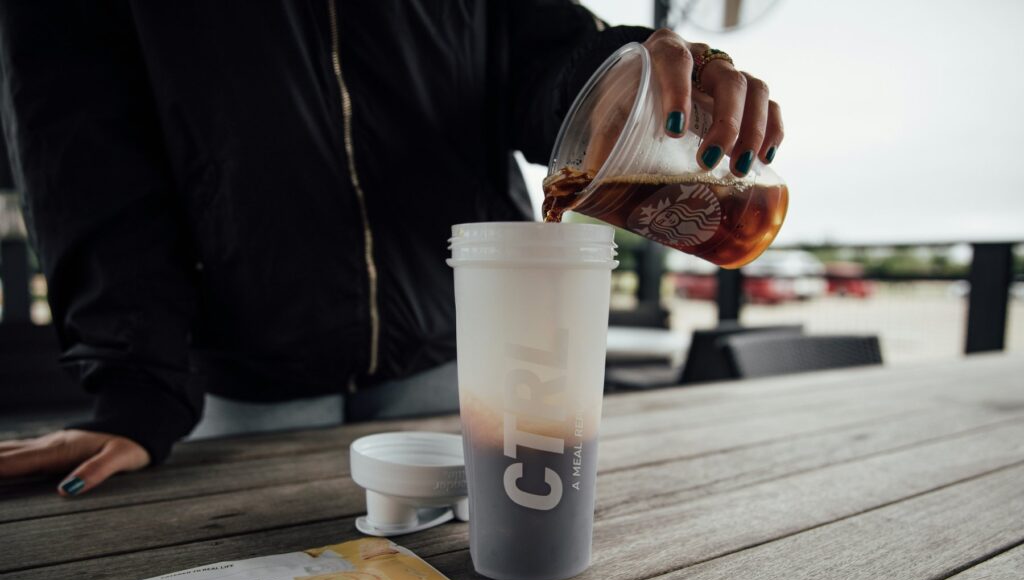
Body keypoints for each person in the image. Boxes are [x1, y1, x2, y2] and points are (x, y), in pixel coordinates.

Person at [0, 1, 782, 497]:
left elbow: (537, 55)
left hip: (462, 351)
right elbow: (81, 148)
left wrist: (617, 82)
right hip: (241, 373)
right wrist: (133, 385)